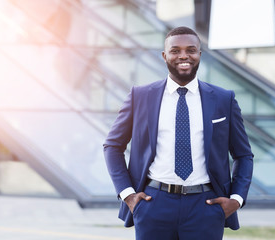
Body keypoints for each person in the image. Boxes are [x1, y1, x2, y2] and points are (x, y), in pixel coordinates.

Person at [103, 26, 253, 240]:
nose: (184, 56)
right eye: (175, 50)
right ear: (165, 56)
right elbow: (112, 146)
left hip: (206, 206)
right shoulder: (140, 96)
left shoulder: (223, 99)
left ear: (199, 55)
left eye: (191, 50)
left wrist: (236, 199)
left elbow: (244, 155)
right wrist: (128, 195)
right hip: (153, 204)